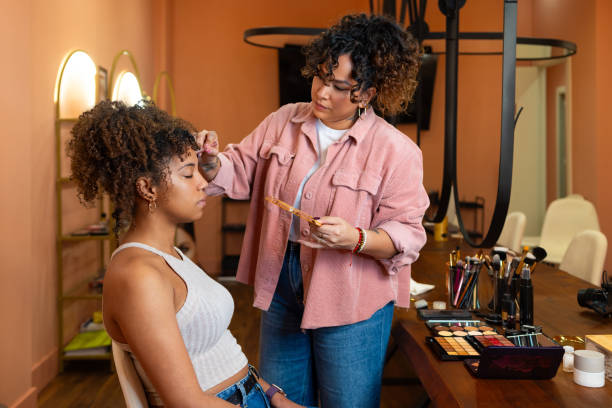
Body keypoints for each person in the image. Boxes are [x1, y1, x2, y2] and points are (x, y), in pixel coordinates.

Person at [197, 13, 429, 408]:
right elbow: (239, 168)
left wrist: (356, 238)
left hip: (351, 292)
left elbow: (407, 234)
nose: (322, 93)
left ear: (368, 94)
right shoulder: (283, 120)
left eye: (339, 86)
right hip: (283, 279)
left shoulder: (397, 151)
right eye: (321, 77)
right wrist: (210, 162)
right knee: (281, 399)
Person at [67, 100, 305, 408]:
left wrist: (272, 394)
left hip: (254, 394)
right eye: (188, 174)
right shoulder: (138, 276)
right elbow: (186, 402)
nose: (204, 183)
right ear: (147, 188)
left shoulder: (171, 255)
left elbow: (221, 346)